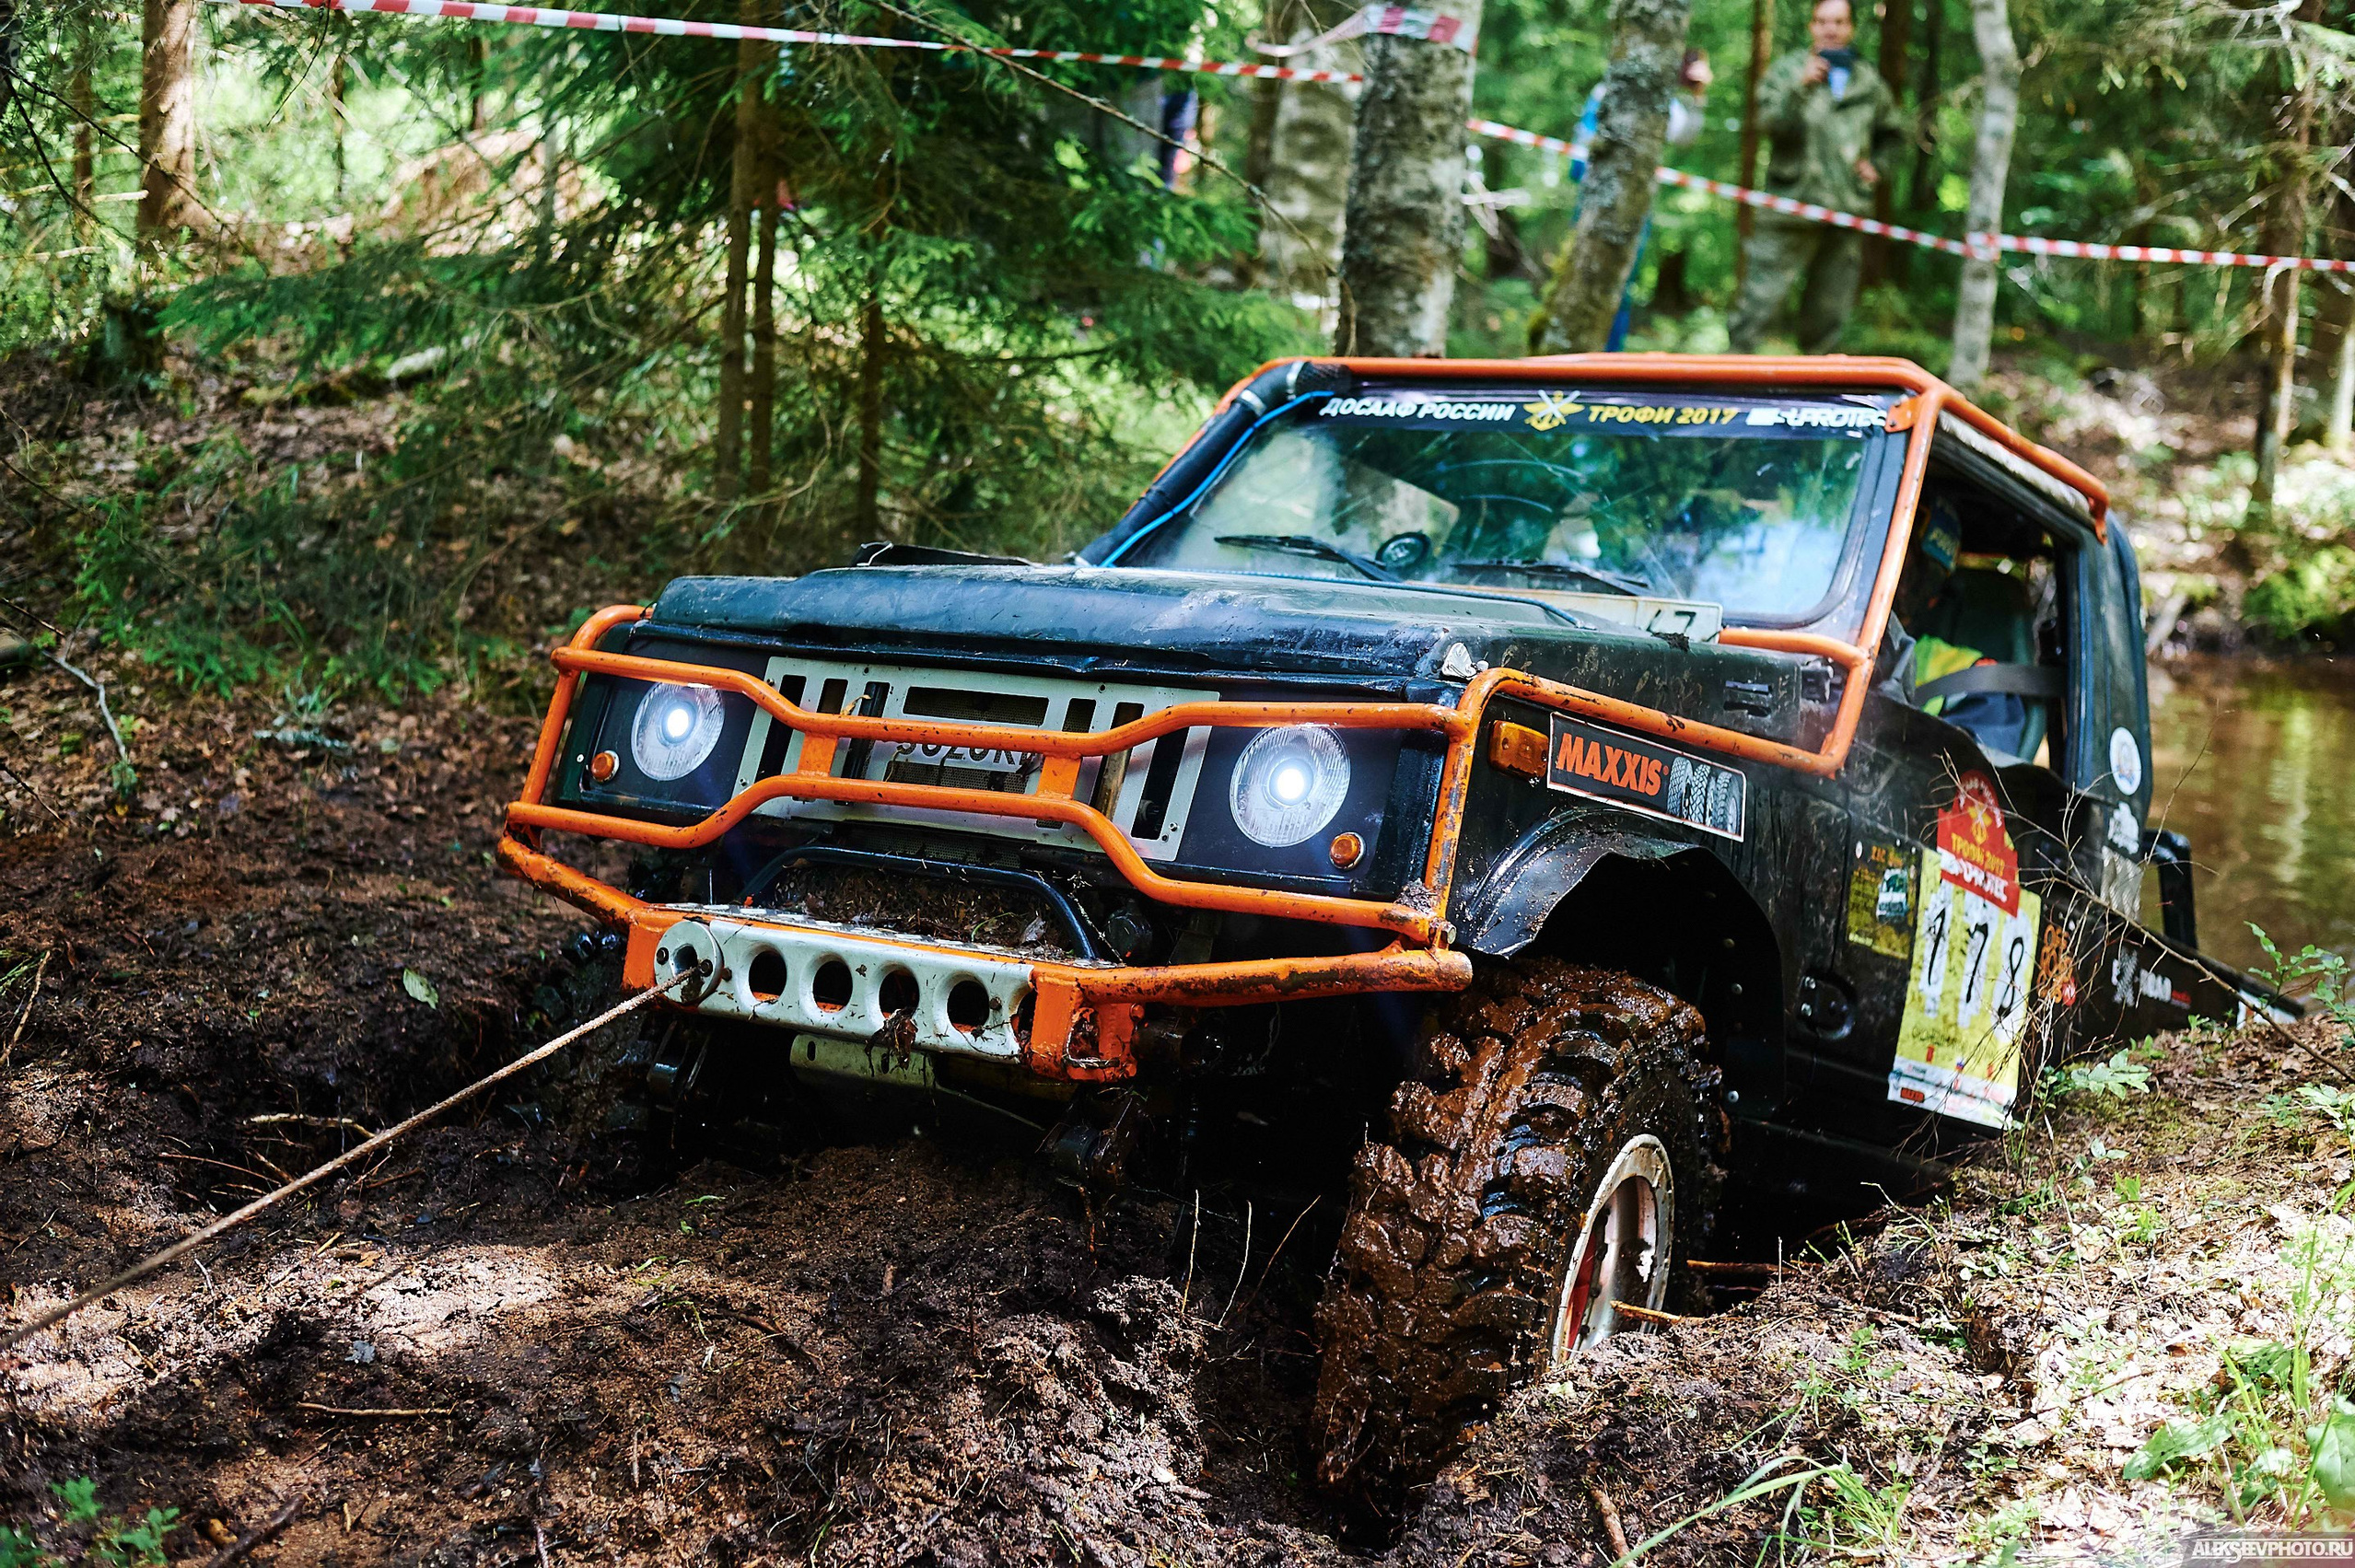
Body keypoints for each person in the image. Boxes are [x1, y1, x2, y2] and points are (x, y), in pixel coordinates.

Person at [1728, 0, 1906, 354]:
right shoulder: (1787, 71)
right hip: (1789, 207)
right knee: (1756, 307)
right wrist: (1800, 86)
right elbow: (1768, 125)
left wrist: (1878, 168)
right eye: (1823, 21)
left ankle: (1818, 396)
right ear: (1811, 26)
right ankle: (1728, 386)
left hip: (1846, 211)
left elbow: (1895, 134)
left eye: (1839, 22)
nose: (1831, 29)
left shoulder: (1868, 82)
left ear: (1851, 27)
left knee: (1829, 315)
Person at [1568, 51, 1714, 351]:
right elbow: (1683, 134)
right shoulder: (1639, 93)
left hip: (1618, 198)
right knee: (1599, 281)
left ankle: (1606, 357)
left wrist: (1696, 96)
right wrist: (1695, 96)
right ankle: (1594, 355)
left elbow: (1682, 134)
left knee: (1611, 284)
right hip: (1605, 199)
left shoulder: (1633, 91)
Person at [1877, 501, 2034, 758]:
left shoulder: (1974, 678)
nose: (1898, 582)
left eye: (1911, 571)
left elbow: (1971, 784)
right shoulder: (1813, 626)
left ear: (1932, 594)